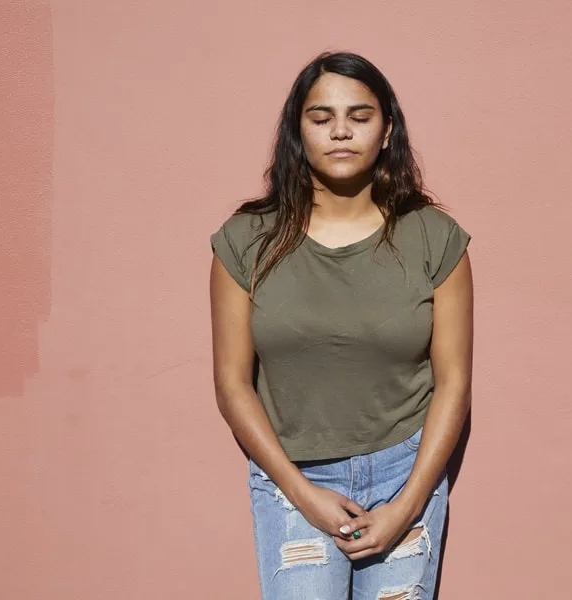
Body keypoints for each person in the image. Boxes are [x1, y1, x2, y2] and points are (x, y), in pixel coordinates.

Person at [209, 51, 473, 600]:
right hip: (291, 478)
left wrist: (406, 505)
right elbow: (233, 385)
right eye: (321, 117)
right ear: (297, 130)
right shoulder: (245, 241)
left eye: (359, 115)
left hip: (407, 470)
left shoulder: (434, 238)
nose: (341, 132)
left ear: (387, 129)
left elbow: (453, 384)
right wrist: (303, 494)